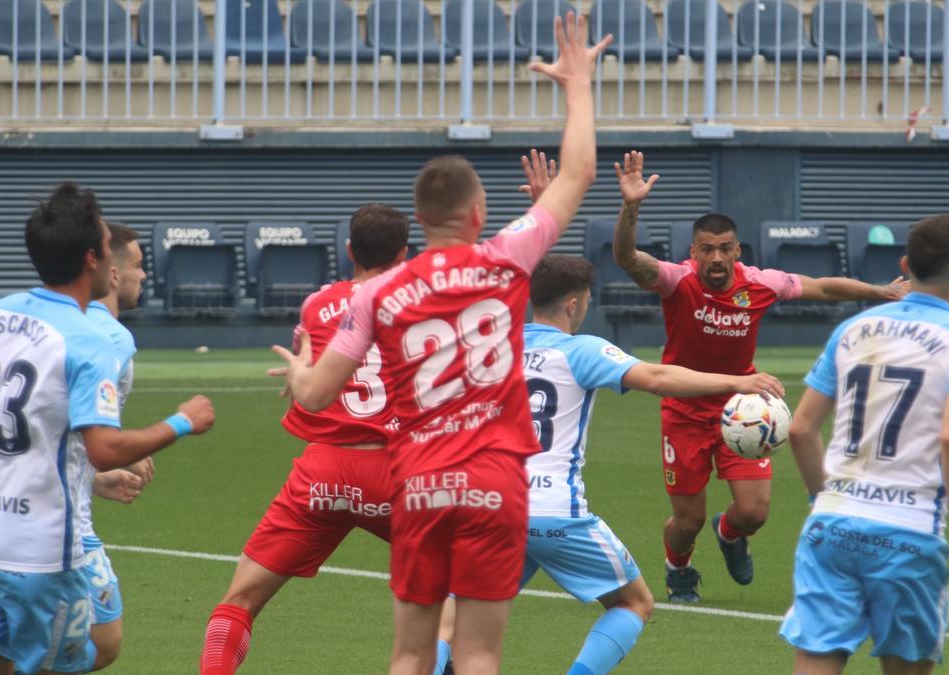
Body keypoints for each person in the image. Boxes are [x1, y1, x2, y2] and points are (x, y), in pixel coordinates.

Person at [274, 14, 613, 674]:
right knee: (480, 651)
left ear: (420, 220)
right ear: (478, 214)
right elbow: (580, 171)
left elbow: (315, 396)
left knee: (411, 651)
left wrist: (301, 362)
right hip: (495, 476)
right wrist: (577, 85)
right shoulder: (508, 258)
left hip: (421, 478)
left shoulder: (376, 293)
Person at [0, 182, 213, 675]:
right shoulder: (89, 340)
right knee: (67, 662)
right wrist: (182, 421)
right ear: (93, 260)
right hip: (39, 550)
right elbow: (105, 448)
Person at [610, 151, 911, 603]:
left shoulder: (760, 283)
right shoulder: (677, 281)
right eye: (706, 249)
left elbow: (824, 286)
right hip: (684, 409)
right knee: (686, 521)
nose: (716, 257)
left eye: (725, 248)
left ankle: (729, 535)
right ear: (693, 253)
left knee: (753, 512)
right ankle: (679, 567)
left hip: (743, 409)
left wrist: (879, 292)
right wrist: (630, 206)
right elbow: (628, 259)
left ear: (737, 250)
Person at [518, 253, 785, 675]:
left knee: (456, 609)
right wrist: (737, 380)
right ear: (574, 305)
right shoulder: (581, 350)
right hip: (555, 511)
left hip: (491, 505)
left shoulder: (495, 351)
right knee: (634, 603)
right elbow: (658, 379)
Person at [781, 213, 949, 674]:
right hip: (908, 534)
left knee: (815, 662)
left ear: (906, 264)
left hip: (831, 527)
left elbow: (800, 429)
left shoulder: (851, 331)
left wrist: (825, 499)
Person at [199, 204, 410, 675]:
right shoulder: (422, 303)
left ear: (349, 250)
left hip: (325, 473)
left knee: (239, 601)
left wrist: (300, 376)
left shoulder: (318, 303)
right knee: (459, 598)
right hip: (399, 475)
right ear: (403, 253)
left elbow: (308, 364)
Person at [71, 222, 157, 671]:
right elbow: (70, 419)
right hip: (63, 523)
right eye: (140, 266)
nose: (145, 276)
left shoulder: (69, 322)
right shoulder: (113, 338)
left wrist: (96, 475)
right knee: (104, 639)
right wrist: (119, 448)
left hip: (49, 503)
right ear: (116, 274)